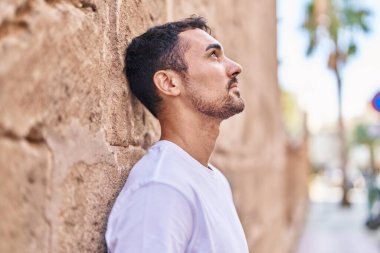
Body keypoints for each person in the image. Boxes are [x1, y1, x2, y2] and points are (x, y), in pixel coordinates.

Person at [105, 16, 249, 253]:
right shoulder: (160, 188)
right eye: (213, 55)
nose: (235, 67)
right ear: (169, 83)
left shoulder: (215, 180)